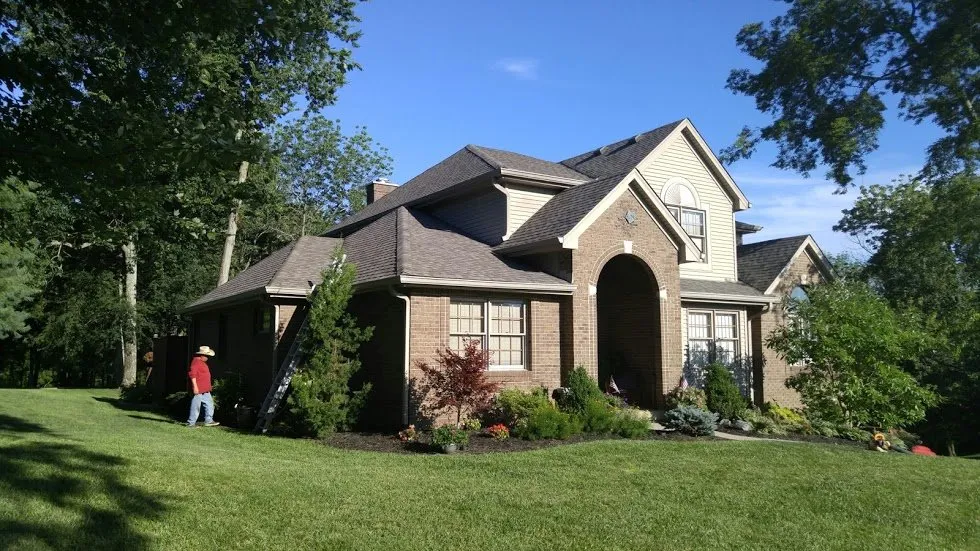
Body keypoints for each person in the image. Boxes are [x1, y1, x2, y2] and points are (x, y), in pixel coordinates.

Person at [187, 345, 220, 427]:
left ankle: (208, 420)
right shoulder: (196, 362)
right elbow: (192, 375)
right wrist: (195, 387)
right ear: (202, 355)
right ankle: (191, 423)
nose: (208, 358)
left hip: (205, 389)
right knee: (196, 406)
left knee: (210, 404)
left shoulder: (202, 362)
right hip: (198, 389)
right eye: (207, 356)